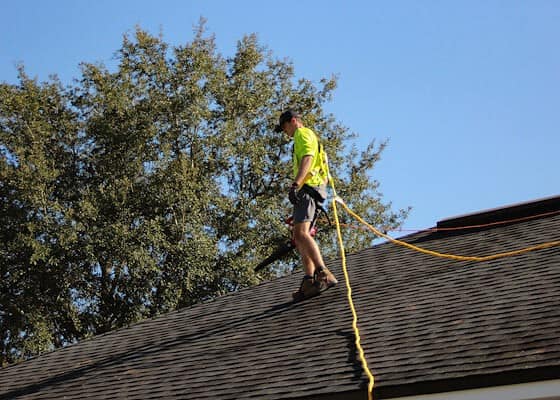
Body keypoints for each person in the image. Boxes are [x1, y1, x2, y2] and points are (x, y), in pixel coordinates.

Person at [274, 109, 338, 301]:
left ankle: (322, 272)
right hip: (314, 189)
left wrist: (296, 184)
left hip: (308, 189)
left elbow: (308, 158)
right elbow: (322, 169)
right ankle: (309, 280)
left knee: (301, 233)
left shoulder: (302, 134)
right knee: (299, 235)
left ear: (293, 121)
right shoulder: (310, 137)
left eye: (285, 127)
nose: (285, 132)